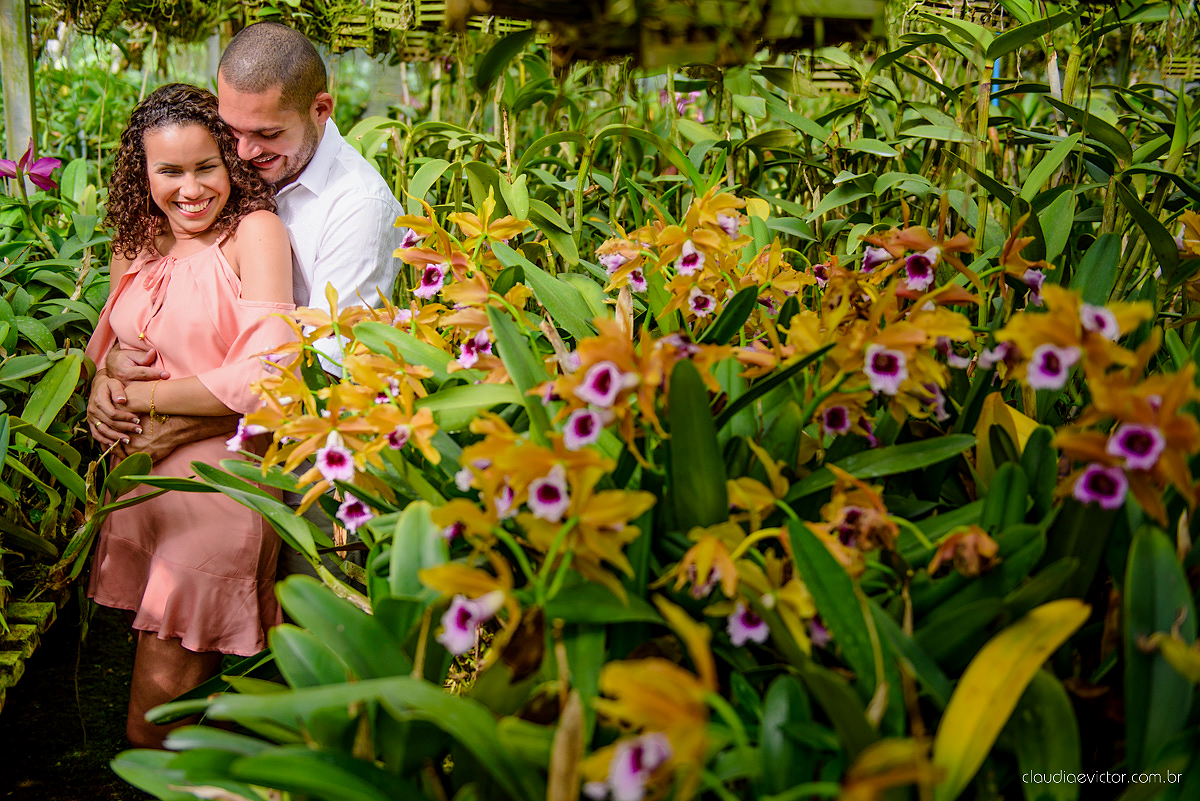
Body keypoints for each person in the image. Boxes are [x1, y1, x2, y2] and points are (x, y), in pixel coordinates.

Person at [87, 22, 404, 574]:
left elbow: (321, 372)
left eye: (266, 134)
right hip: (209, 445)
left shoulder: (357, 207)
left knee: (309, 618)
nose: (243, 150)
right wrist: (110, 367)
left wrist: (161, 411)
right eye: (230, 130)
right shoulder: (238, 172)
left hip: (307, 453)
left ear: (320, 109)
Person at [84, 83, 295, 748]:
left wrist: (141, 397)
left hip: (216, 491)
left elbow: (267, 375)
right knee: (173, 686)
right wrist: (102, 383)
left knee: (154, 711)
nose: (191, 189)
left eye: (206, 167)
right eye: (169, 171)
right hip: (144, 488)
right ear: (142, 174)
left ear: (230, 161)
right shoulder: (137, 238)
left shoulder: (253, 235)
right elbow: (107, 343)